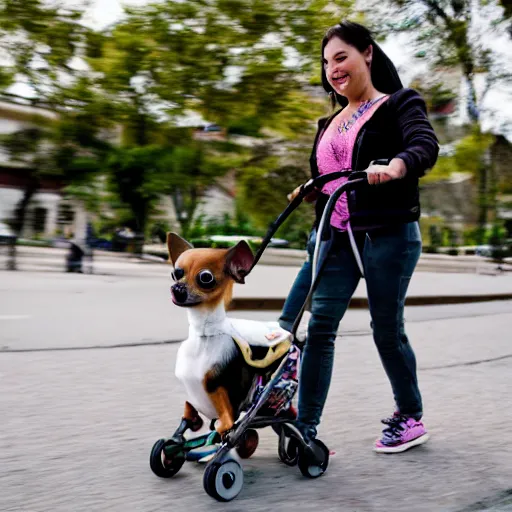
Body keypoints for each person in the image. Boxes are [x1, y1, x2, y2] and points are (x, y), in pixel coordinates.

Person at [278, 21, 439, 453]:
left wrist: (398, 166)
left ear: (367, 53)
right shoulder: (329, 121)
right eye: (327, 62)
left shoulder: (400, 104)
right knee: (319, 326)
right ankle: (304, 429)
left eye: (341, 57)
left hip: (388, 234)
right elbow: (331, 175)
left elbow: (424, 145)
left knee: (386, 330)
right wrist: (310, 186)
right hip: (336, 235)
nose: (333, 69)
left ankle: (410, 416)